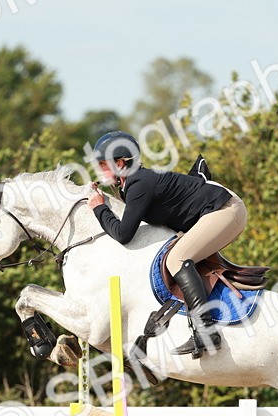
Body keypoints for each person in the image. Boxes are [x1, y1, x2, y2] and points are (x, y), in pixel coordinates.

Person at [87, 131, 247, 357]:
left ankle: (206, 331)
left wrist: (99, 208)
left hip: (226, 210)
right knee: (177, 256)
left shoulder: (139, 183)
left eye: (103, 164)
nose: (99, 170)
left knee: (177, 259)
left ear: (120, 163)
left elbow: (124, 234)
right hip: (217, 211)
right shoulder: (131, 184)